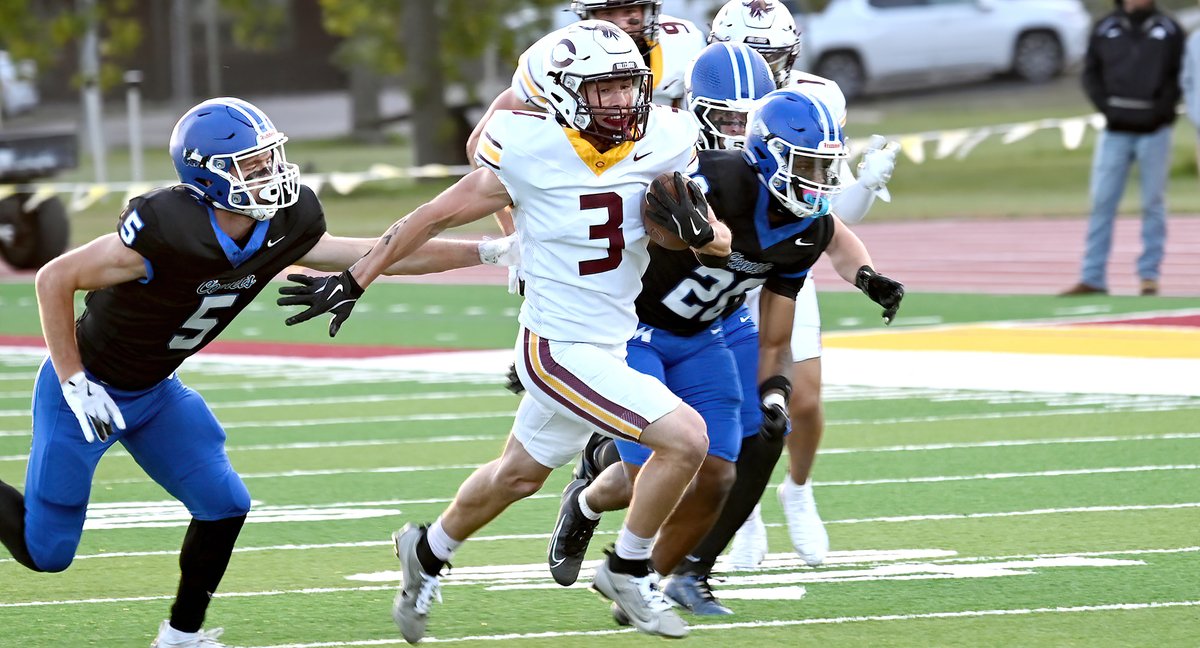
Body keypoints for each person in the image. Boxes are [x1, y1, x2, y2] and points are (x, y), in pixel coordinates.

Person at [0, 97, 517, 648]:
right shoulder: (166, 229)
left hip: (154, 392)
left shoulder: (284, 225)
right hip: (82, 390)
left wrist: (489, 251)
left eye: (270, 158)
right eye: (251, 164)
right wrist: (74, 380)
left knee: (225, 505)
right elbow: (53, 279)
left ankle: (180, 637)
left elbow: (377, 251)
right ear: (207, 174)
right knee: (47, 552)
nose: (269, 173)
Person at [277, 23, 732, 641]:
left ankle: (427, 550)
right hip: (556, 346)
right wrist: (357, 277)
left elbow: (715, 240)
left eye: (629, 85)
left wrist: (698, 233)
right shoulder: (526, 147)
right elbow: (431, 216)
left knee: (518, 475)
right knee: (685, 440)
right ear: (562, 94)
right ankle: (628, 568)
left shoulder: (667, 138)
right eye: (605, 90)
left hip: (609, 340)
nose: (624, 101)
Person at [549, 84, 905, 619]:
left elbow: (777, 336)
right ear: (768, 155)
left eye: (822, 168)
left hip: (710, 331)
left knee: (721, 467)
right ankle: (592, 508)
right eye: (805, 167)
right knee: (662, 470)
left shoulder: (806, 225)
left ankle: (648, 583)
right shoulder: (714, 178)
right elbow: (644, 221)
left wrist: (776, 393)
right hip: (636, 326)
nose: (816, 184)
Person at [707, 0, 898, 569]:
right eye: (753, 56)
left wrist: (861, 189)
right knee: (728, 398)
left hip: (784, 258)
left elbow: (825, 211)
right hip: (714, 262)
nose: (764, 71)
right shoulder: (705, 93)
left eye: (774, 57)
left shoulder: (812, 100)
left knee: (803, 401)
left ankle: (798, 488)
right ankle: (740, 511)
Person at [1062, 0, 1183, 297]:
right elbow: (1090, 74)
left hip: (1154, 130)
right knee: (1102, 201)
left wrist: (1161, 112)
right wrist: (1107, 109)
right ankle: (1092, 276)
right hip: (1116, 129)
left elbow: (1178, 76)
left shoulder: (1169, 30)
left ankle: (1149, 276)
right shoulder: (1104, 28)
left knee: (1152, 203)